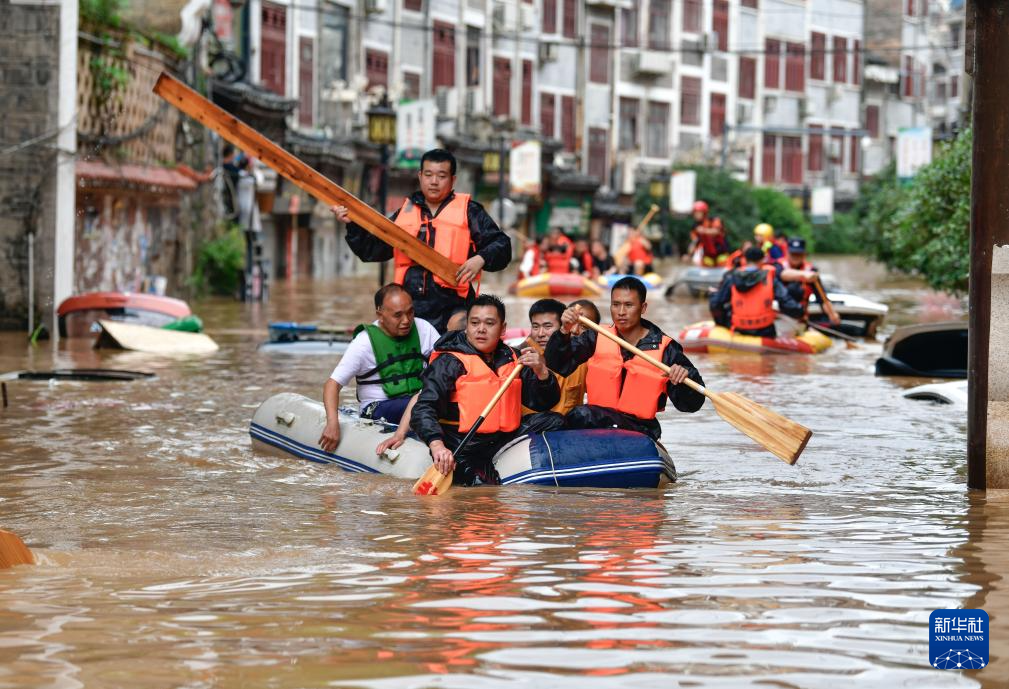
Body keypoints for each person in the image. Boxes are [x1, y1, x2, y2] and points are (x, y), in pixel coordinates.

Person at [332, 149, 512, 332]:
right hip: (410, 309)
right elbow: (371, 250)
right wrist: (352, 224)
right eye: (428, 175)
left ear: (453, 180)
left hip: (454, 308)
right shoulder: (405, 213)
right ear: (420, 176)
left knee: (460, 327)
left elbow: (502, 246)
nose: (434, 181)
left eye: (441, 176)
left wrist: (480, 258)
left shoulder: (470, 211)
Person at [410, 295, 565, 485]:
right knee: (482, 488)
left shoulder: (512, 357)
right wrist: (436, 445)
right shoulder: (449, 362)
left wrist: (542, 372)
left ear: (503, 328)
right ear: (467, 326)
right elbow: (423, 408)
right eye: (474, 323)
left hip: (503, 437)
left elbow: (543, 403)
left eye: (489, 323)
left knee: (555, 420)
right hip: (464, 444)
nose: (481, 329)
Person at [546, 277, 705, 440]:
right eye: (616, 305)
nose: (621, 312)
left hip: (640, 429)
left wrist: (682, 379)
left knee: (581, 414)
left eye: (628, 305)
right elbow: (557, 364)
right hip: (598, 422)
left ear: (643, 308)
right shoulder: (595, 336)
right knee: (574, 416)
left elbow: (691, 405)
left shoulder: (666, 348)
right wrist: (564, 331)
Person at [319, 284, 440, 455]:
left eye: (410, 312)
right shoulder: (363, 343)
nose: (406, 320)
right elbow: (332, 384)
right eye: (398, 315)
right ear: (380, 315)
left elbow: (445, 363)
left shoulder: (423, 329)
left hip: (415, 402)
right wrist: (332, 423)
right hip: (378, 408)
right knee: (424, 403)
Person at [524, 298, 600, 415]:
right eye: (536, 327)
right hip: (534, 427)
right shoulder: (521, 356)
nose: (574, 330)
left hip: (568, 428)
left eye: (584, 327)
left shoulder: (588, 359)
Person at [708, 246, 805, 337]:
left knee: (715, 296)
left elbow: (716, 304)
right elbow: (786, 302)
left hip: (739, 329)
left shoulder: (731, 278)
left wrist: (721, 324)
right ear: (763, 260)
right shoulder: (771, 278)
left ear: (745, 260)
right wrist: (801, 313)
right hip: (764, 331)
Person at [686, 201, 731, 267]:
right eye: (695, 213)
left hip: (721, 253)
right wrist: (689, 254)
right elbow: (695, 241)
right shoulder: (695, 227)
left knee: (722, 265)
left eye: (698, 212)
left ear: (704, 213)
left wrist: (704, 231)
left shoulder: (714, 220)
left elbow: (717, 231)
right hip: (708, 255)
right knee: (704, 265)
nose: (696, 215)